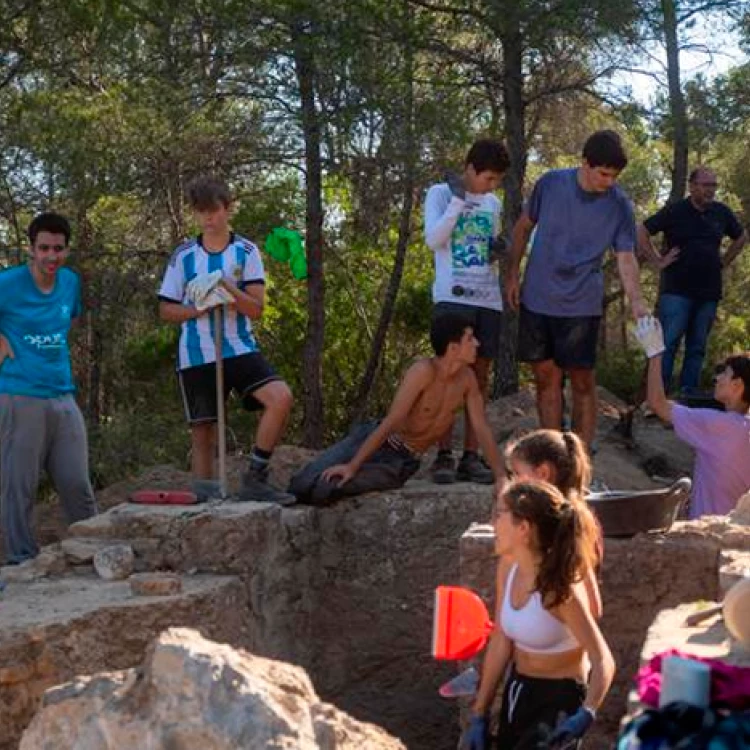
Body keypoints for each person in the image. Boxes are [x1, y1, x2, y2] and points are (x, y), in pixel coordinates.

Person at [506, 130, 648, 450]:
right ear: (585, 163)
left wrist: (637, 302)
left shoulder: (619, 205)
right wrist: (512, 274)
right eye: (603, 173)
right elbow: (522, 227)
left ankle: (580, 461)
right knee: (546, 379)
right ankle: (555, 453)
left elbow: (625, 256)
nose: (609, 181)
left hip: (582, 304)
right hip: (538, 297)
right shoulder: (551, 184)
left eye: (614, 175)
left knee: (583, 381)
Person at [158, 176, 294, 504]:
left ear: (228, 208)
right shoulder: (184, 256)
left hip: (238, 345)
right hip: (196, 351)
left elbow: (257, 308)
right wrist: (197, 307)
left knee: (280, 397)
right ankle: (204, 498)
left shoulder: (246, 251)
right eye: (201, 212)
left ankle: (256, 475)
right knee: (203, 429)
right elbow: (165, 309)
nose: (209, 218)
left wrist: (227, 290)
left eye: (215, 210)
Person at [289, 312, 505, 505]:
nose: (477, 343)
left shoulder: (467, 379)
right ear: (453, 347)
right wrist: (352, 465)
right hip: (378, 441)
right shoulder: (423, 371)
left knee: (325, 489)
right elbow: (392, 420)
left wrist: (501, 477)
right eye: (470, 338)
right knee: (301, 485)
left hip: (401, 462)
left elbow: (481, 427)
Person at [464, 480, 615, 750]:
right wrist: (480, 712)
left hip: (558, 701)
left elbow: (602, 657)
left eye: (499, 515)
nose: (493, 523)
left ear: (523, 529)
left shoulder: (557, 590)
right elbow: (501, 639)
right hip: (518, 692)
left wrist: (587, 712)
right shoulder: (507, 569)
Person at [0, 212, 97, 565]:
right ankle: (20, 561)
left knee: (76, 484)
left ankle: (94, 551)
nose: (51, 256)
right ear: (31, 248)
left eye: (58, 249)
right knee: (18, 486)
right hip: (19, 394)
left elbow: (68, 319)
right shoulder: (8, 283)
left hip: (62, 394)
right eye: (44, 248)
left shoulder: (69, 282)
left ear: (66, 250)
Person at [424, 139, 510, 485]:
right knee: (447, 373)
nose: (491, 186)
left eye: (496, 181)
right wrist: (459, 200)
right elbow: (434, 239)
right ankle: (443, 454)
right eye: (488, 178)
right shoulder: (441, 193)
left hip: (487, 297)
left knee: (480, 377)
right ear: (471, 169)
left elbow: (489, 242)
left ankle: (471, 457)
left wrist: (497, 248)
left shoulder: (493, 202)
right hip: (452, 294)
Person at [637, 167, 747, 395]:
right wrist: (657, 261)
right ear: (692, 186)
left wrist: (724, 261)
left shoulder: (721, 212)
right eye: (706, 185)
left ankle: (688, 398)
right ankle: (656, 399)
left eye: (713, 185)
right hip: (676, 291)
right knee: (667, 345)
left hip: (708, 292)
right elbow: (642, 231)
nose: (710, 190)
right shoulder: (676, 211)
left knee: (697, 348)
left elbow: (741, 237)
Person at [635, 316, 750, 518]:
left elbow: (657, 403)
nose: (717, 378)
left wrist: (655, 355)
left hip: (708, 534)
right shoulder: (744, 428)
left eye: (724, 373)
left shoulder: (719, 425)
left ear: (737, 385)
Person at [506, 429, 603, 619]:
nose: (513, 484)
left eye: (517, 474)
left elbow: (592, 608)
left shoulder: (571, 526)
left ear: (543, 473)